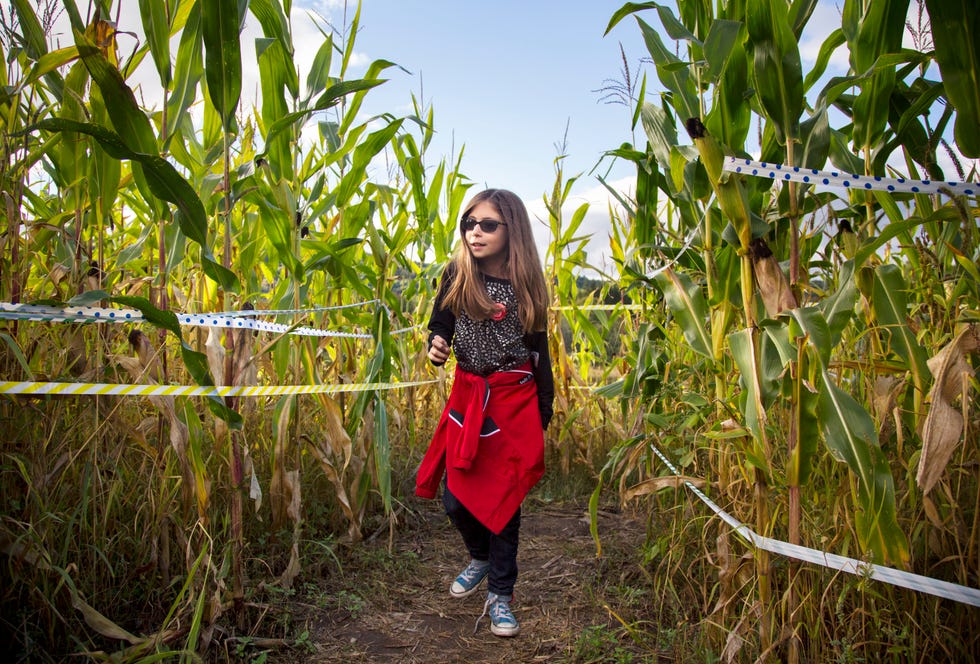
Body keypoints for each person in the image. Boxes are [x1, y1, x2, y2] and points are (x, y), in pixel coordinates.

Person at [415, 188, 554, 638]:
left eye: (488, 224)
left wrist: (542, 414)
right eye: (469, 223)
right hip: (469, 397)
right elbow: (442, 322)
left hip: (513, 401)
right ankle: (478, 556)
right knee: (455, 498)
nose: (475, 231)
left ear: (511, 228)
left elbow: (539, 353)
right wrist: (437, 343)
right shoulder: (457, 273)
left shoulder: (526, 284)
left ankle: (500, 595)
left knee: (504, 502)